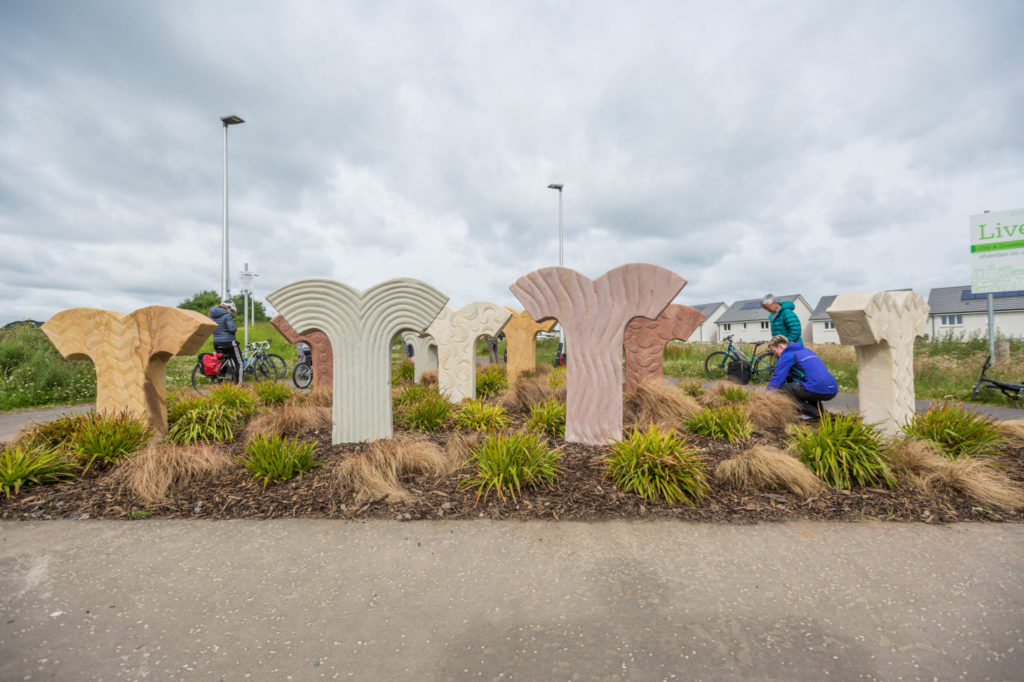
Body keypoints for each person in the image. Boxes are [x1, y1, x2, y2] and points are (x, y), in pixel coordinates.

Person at [766, 335, 837, 419]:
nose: (774, 354)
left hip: (816, 388)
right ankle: (823, 414)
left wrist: (766, 395)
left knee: (780, 390)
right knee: (806, 388)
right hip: (832, 389)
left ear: (780, 346)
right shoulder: (806, 351)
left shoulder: (787, 355)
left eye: (774, 351)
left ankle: (816, 415)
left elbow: (777, 379)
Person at [209, 299, 244, 385]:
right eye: (231, 310)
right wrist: (234, 329)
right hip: (229, 342)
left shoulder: (212, 316)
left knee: (221, 362)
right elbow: (232, 329)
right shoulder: (227, 315)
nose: (231, 312)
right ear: (228, 308)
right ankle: (239, 385)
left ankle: (220, 382)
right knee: (239, 363)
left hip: (216, 342)